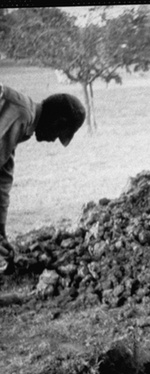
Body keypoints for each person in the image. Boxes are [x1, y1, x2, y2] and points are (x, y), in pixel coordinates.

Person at [0, 85, 86, 266]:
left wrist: (1, 233)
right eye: (59, 134)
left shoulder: (22, 124)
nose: (54, 140)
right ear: (58, 122)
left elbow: (3, 182)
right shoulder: (20, 115)